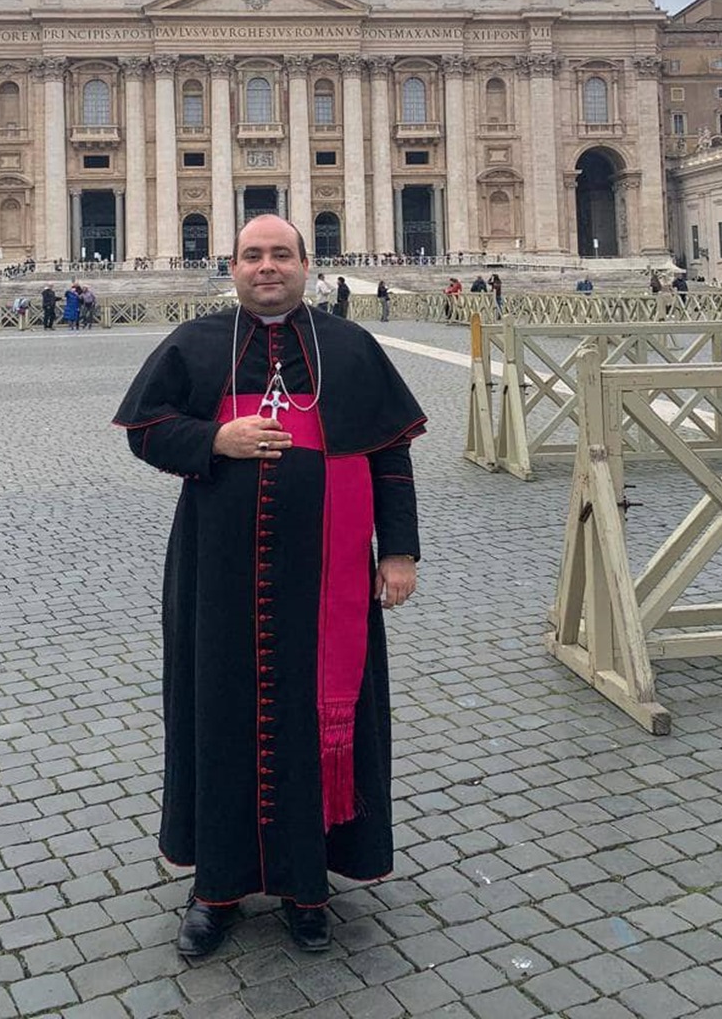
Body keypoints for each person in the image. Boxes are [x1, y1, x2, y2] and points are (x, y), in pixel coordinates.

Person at [114, 216, 425, 957]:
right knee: (216, 719)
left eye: (280, 255)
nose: (266, 268)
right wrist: (214, 439)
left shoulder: (350, 346)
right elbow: (146, 430)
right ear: (232, 267)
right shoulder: (195, 344)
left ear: (306, 264)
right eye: (253, 256)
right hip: (214, 576)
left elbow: (389, 457)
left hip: (328, 582)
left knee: (313, 724)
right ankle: (214, 889)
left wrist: (401, 553)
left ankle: (305, 886)